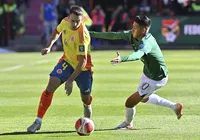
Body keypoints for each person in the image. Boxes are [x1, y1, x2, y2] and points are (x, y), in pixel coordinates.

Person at [89, 15, 183, 129]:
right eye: (133, 26)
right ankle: (174, 107)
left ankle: (128, 124)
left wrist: (122, 58)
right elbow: (114, 35)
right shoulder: (132, 34)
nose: (132, 29)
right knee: (144, 98)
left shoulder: (147, 43)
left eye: (135, 27)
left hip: (156, 78)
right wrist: (91, 33)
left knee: (129, 102)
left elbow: (139, 54)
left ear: (143, 30)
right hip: (148, 72)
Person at [27, 5, 93, 133]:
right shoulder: (65, 22)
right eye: (73, 20)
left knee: (85, 97)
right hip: (67, 62)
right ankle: (38, 121)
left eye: (77, 21)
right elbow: (57, 31)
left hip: (83, 69)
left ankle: (87, 105)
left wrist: (69, 80)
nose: (74, 24)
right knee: (50, 86)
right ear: (69, 17)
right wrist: (49, 46)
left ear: (81, 20)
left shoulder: (82, 35)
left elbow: (83, 62)